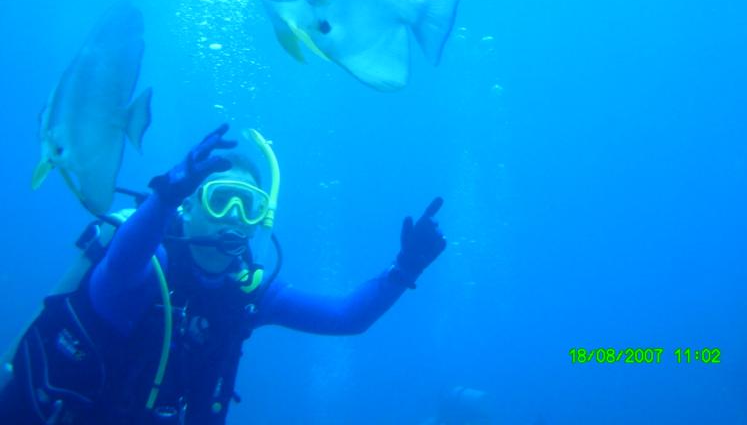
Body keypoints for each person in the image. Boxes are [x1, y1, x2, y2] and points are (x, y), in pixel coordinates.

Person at [0, 124, 446, 424]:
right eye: (219, 199)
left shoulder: (247, 293)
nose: (232, 215)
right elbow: (120, 263)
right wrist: (163, 197)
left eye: (247, 204)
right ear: (189, 207)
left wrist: (403, 270)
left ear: (259, 219)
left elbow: (346, 317)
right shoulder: (147, 266)